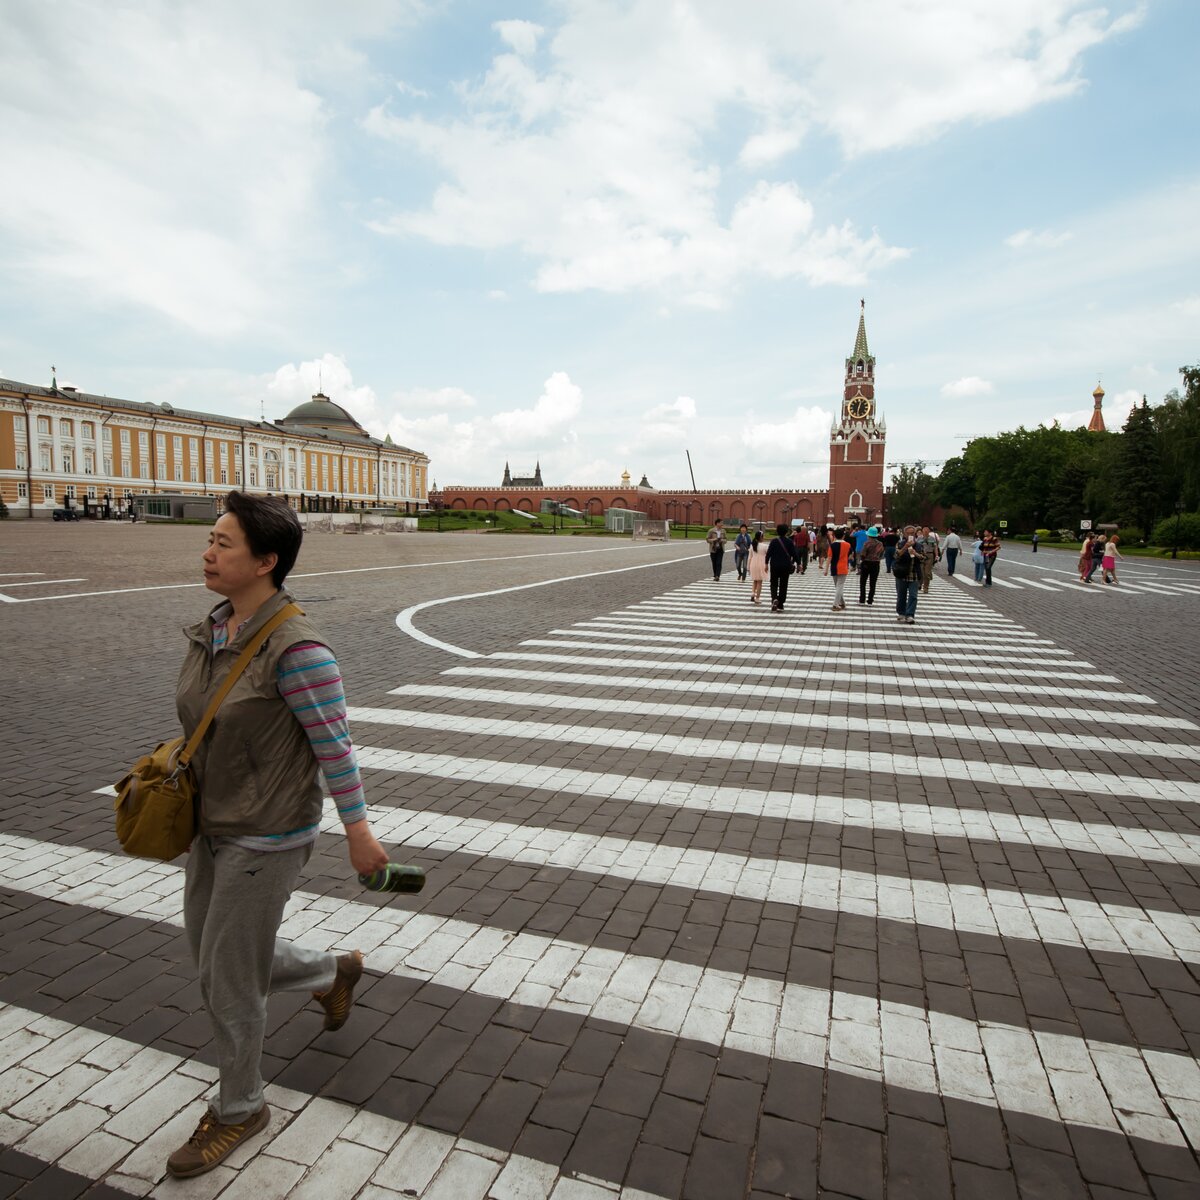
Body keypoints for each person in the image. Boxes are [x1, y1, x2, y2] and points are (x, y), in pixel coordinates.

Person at [166, 491, 390, 1179]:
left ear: (266, 561)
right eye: (211, 539)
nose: (208, 551)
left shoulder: (300, 650)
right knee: (216, 953)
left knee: (225, 977)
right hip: (212, 822)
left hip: (267, 833)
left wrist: (359, 832)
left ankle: (241, 1108)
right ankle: (331, 972)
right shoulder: (214, 629)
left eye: (224, 543)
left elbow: (336, 748)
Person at [893, 526, 924, 624]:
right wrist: (905, 547)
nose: (910, 535)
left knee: (913, 595)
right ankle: (901, 612)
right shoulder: (900, 543)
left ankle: (910, 614)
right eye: (908, 533)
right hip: (902, 572)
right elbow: (896, 555)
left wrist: (915, 553)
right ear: (904, 534)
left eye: (912, 533)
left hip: (914, 573)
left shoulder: (919, 545)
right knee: (901, 595)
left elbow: (923, 557)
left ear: (915, 534)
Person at [766, 522, 797, 611]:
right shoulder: (789, 542)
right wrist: (799, 564)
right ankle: (781, 604)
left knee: (774, 583)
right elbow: (794, 554)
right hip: (785, 566)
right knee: (783, 585)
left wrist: (766, 563)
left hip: (774, 565)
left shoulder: (774, 541)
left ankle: (774, 598)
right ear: (786, 532)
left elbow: (768, 553)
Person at [858, 526, 884, 604]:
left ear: (868, 535)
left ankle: (862, 600)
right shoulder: (880, 544)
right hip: (876, 564)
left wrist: (862, 561)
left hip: (866, 563)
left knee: (863, 582)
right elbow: (882, 554)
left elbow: (863, 554)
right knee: (873, 583)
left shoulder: (867, 543)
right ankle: (870, 600)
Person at [828, 527, 851, 610]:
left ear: (834, 536)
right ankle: (835, 604)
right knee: (839, 586)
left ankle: (842, 603)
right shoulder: (848, 545)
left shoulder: (832, 545)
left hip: (834, 567)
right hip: (843, 567)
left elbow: (829, 558)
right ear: (843, 536)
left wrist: (826, 569)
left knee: (838, 586)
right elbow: (851, 555)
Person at [747, 530, 768, 604]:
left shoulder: (752, 545)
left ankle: (753, 593)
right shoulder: (765, 546)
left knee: (755, 580)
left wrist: (748, 567)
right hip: (761, 564)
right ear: (761, 537)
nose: (764, 537)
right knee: (759, 581)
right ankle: (757, 598)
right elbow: (768, 556)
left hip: (753, 563)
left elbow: (749, 557)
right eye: (763, 536)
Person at [918, 526, 940, 594]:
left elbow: (935, 547)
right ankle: (919, 584)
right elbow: (915, 546)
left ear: (929, 531)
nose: (926, 531)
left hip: (929, 555)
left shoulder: (932, 539)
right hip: (921, 555)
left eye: (927, 530)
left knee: (927, 573)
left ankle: (926, 587)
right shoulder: (919, 538)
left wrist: (936, 555)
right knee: (921, 571)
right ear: (922, 531)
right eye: (924, 530)